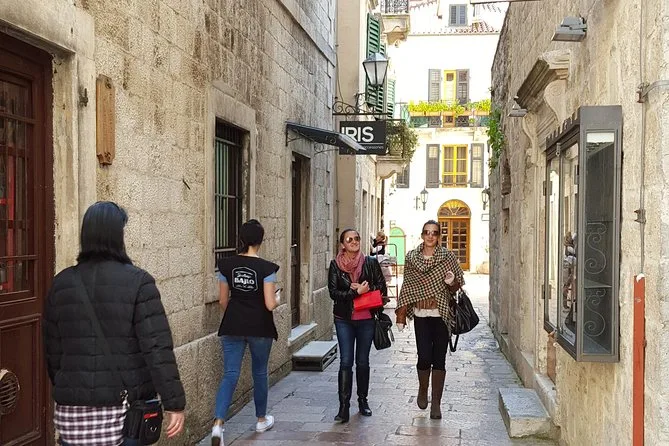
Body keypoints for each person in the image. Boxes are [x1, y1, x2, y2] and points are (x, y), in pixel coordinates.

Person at [43, 201, 186, 446]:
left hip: (72, 414)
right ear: (118, 236)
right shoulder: (139, 282)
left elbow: (53, 351)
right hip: (121, 412)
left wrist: (72, 386)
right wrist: (174, 403)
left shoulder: (61, 284)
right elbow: (156, 348)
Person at [211, 219, 280, 446]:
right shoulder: (267, 269)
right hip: (260, 326)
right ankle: (261, 419)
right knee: (259, 372)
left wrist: (237, 313)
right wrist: (278, 298)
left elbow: (223, 301)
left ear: (241, 239)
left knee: (230, 373)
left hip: (232, 324)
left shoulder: (226, 265)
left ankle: (218, 425)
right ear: (261, 240)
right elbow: (269, 304)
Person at [395, 220, 464, 420]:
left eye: (434, 233)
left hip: (441, 314)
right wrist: (401, 314)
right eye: (427, 232)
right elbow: (407, 286)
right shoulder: (411, 258)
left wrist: (451, 281)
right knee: (424, 356)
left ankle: (436, 403)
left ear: (439, 236)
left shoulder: (448, 257)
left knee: (439, 358)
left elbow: (457, 286)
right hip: (421, 315)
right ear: (422, 235)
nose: (430, 236)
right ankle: (423, 389)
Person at [328, 228, 387, 423]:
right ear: (342, 245)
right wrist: (355, 292)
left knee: (362, 361)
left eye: (356, 238)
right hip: (343, 319)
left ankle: (363, 401)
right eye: (349, 239)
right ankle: (343, 407)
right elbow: (333, 293)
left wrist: (366, 289)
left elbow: (382, 288)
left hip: (366, 319)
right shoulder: (335, 265)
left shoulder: (370, 262)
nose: (354, 242)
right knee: (346, 361)